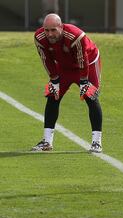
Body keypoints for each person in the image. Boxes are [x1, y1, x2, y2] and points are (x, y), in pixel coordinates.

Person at [32, 13, 103, 153]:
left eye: (53, 30)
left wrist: (84, 81)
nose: (49, 34)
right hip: (64, 66)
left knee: (91, 96)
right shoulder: (39, 38)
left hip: (87, 63)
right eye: (46, 30)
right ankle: (47, 141)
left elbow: (82, 59)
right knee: (53, 95)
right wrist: (54, 79)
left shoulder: (76, 36)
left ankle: (97, 142)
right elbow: (46, 60)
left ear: (61, 27)